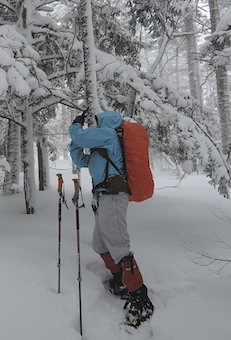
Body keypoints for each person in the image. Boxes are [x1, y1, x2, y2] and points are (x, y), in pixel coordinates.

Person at [69, 110, 154, 328]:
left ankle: (140, 297)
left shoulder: (109, 134)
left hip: (114, 196)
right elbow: (81, 158)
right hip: (104, 197)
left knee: (118, 244)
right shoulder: (104, 145)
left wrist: (76, 126)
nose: (95, 125)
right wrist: (74, 140)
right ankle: (120, 280)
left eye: (96, 122)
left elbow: (80, 137)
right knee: (100, 243)